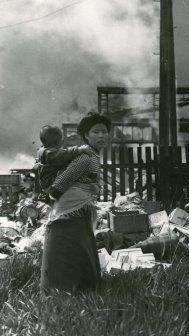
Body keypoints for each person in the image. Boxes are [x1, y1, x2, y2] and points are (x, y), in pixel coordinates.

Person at [40, 113, 111, 293]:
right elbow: (64, 179)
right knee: (69, 245)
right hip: (71, 207)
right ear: (86, 135)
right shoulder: (86, 156)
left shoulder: (92, 155)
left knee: (79, 245)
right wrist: (54, 198)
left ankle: (80, 287)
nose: (101, 136)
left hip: (79, 207)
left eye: (104, 132)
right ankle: (63, 288)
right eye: (96, 132)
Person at [35, 125, 91, 192]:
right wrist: (80, 149)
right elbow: (64, 154)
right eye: (60, 139)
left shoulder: (42, 150)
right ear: (56, 141)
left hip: (47, 183)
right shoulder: (49, 153)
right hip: (52, 184)